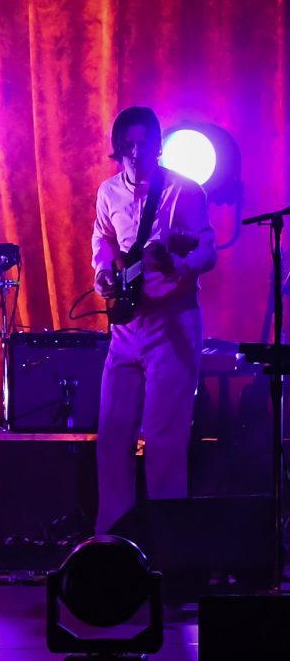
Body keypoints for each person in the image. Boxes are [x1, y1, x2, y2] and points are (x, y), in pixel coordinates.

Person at [91, 106, 217, 530]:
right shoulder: (108, 192)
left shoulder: (185, 190)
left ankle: (168, 545)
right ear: (117, 149)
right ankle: (113, 541)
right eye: (127, 146)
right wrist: (104, 273)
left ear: (159, 146)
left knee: (164, 439)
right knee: (111, 437)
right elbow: (105, 240)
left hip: (173, 321)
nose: (135, 154)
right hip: (127, 324)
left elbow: (206, 250)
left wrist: (176, 265)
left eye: (144, 145)